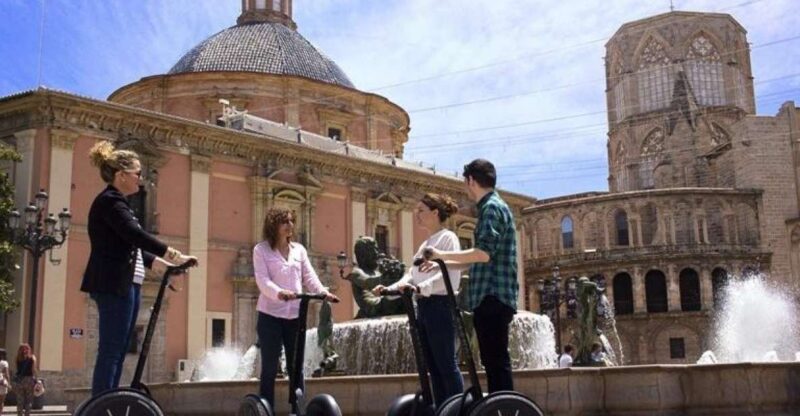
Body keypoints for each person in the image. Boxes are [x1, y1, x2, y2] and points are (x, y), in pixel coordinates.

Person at [81, 141, 197, 396]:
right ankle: (100, 404)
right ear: (121, 175)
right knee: (111, 349)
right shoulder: (110, 202)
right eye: (137, 173)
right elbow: (135, 235)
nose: (140, 178)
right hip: (113, 283)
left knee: (119, 349)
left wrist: (165, 266)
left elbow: (131, 246)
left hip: (127, 284)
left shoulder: (120, 204)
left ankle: (109, 399)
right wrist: (173, 254)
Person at [423, 158, 518, 393]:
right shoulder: (494, 206)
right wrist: (439, 264)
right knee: (494, 361)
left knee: (496, 361)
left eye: (465, 182)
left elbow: (483, 254)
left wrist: (442, 255)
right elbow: (478, 259)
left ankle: (504, 406)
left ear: (471, 181)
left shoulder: (491, 208)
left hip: (492, 295)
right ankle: (501, 403)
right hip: (494, 295)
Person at [372, 193, 465, 408]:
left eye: (421, 210)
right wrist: (389, 289)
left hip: (440, 306)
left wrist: (423, 287)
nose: (417, 214)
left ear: (435, 212)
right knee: (432, 367)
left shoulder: (448, 238)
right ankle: (442, 408)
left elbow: (451, 276)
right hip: (423, 307)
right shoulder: (424, 245)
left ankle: (457, 409)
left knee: (446, 363)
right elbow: (411, 276)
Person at [253, 208, 340, 413]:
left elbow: (309, 276)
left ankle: (297, 409)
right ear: (273, 225)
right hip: (270, 316)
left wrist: (323, 293)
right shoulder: (261, 250)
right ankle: (267, 410)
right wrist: (279, 293)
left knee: (296, 367)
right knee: (270, 367)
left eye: (291, 221)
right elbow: (262, 280)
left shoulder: (299, 250)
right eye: (285, 221)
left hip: (294, 316)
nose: (290, 225)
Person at [13, 344, 35, 416]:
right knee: (28, 401)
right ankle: (27, 414)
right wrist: (36, 379)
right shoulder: (32, 358)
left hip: (20, 380)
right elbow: (33, 370)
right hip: (29, 379)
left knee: (20, 401)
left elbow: (17, 369)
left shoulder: (17, 358)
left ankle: (19, 414)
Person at [0, 348, 10, 413]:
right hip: (2, 383)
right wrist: (9, 384)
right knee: (1, 401)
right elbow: (7, 374)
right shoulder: (4, 363)